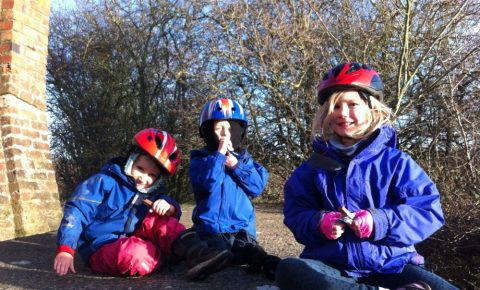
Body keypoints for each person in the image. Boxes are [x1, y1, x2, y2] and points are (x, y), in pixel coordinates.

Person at [275, 62, 458, 290]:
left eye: (352, 104)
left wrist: (378, 221)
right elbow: (295, 213)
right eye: (335, 106)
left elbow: (427, 210)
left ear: (372, 109)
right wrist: (318, 222)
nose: (343, 113)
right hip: (331, 265)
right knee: (290, 270)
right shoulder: (312, 167)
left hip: (392, 264)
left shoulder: (396, 162)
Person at [54, 128, 232, 280]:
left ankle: (197, 253)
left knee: (162, 219)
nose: (144, 178)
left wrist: (169, 206)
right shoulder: (104, 182)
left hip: (134, 236)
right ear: (131, 159)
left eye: (152, 176)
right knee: (136, 256)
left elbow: (167, 215)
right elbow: (77, 211)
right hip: (100, 245)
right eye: (140, 169)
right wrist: (66, 248)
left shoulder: (150, 192)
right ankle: (170, 255)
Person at [188, 98, 281, 280]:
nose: (225, 134)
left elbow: (256, 187)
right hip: (211, 229)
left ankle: (270, 265)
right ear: (207, 132)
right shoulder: (200, 161)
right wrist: (219, 156)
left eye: (230, 129)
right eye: (218, 128)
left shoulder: (247, 162)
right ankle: (207, 263)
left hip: (240, 228)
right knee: (214, 249)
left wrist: (237, 166)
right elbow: (207, 183)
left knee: (249, 249)